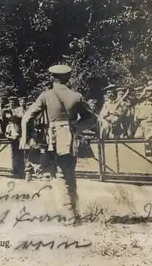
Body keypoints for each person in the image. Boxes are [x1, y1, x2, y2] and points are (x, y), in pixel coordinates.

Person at [20, 64, 96, 218]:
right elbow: (92, 118)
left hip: (53, 139)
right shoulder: (76, 96)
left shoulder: (46, 95)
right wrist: (77, 129)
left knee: (58, 176)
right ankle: (76, 212)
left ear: (52, 77)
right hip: (70, 138)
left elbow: (27, 117)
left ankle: (68, 215)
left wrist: (26, 138)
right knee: (69, 173)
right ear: (68, 78)